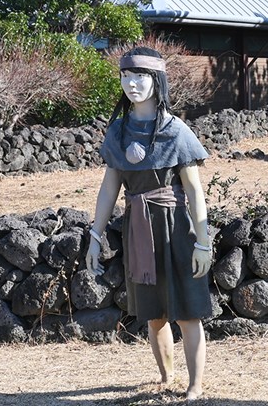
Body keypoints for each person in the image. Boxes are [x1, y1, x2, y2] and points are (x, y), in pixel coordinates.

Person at [85, 46, 213, 400]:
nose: (131, 84)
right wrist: (95, 236)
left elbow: (194, 190)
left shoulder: (177, 131)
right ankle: (166, 375)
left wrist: (203, 242)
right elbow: (109, 188)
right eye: (125, 76)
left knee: (187, 313)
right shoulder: (118, 132)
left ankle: (195, 384)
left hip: (176, 230)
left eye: (139, 76)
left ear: (156, 80)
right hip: (138, 229)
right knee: (153, 313)